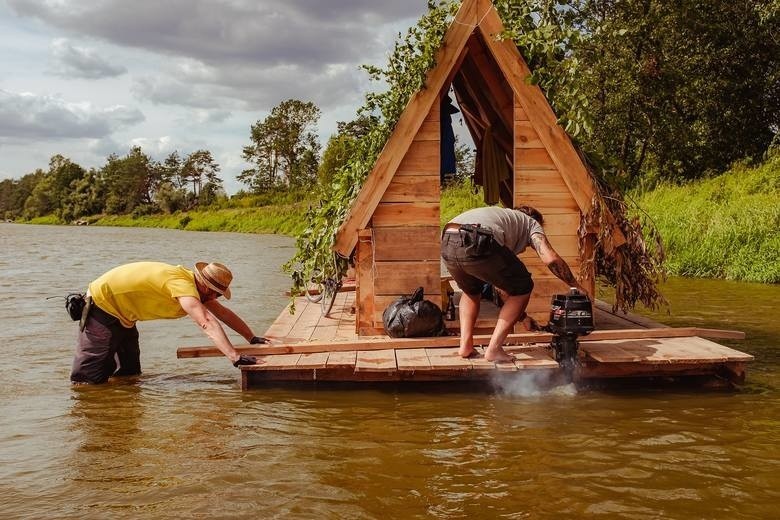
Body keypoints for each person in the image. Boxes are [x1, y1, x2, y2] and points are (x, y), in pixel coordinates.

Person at [71, 261, 267, 384]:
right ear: (208, 289)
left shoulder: (193, 286)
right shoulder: (183, 286)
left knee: (129, 373)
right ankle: (92, 415)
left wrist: (251, 337)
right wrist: (234, 357)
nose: (218, 298)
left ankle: (122, 410)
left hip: (124, 314)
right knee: (89, 379)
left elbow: (223, 314)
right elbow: (206, 321)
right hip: (103, 306)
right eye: (218, 294)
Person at [441, 206, 586, 362]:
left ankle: (465, 346)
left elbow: (502, 288)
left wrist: (523, 317)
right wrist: (576, 286)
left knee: (471, 292)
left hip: (447, 241)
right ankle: (494, 349)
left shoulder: (502, 218)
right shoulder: (531, 223)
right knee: (524, 286)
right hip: (478, 239)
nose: (525, 248)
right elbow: (550, 258)